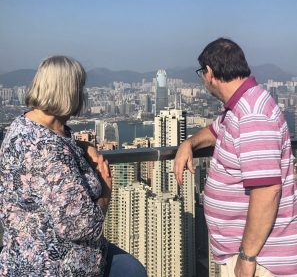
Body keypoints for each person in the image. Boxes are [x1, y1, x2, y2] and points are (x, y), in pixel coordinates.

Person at [0, 56, 147, 277]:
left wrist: (82, 146)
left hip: (29, 253)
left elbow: (47, 151)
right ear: (68, 92)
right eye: (80, 88)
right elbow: (81, 226)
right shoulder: (47, 150)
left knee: (131, 269)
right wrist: (106, 188)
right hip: (52, 265)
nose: (83, 95)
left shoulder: (24, 125)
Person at [174, 38, 297, 277]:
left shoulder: (253, 115)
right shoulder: (239, 106)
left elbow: (267, 191)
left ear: (209, 72)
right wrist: (189, 143)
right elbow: (214, 131)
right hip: (246, 253)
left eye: (201, 73)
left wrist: (247, 257)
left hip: (261, 261)